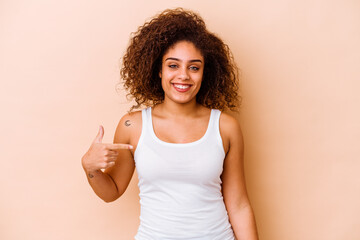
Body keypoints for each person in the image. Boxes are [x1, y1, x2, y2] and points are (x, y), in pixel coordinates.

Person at [81, 8, 259, 240]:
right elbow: (111, 191)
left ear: (205, 73)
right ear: (158, 70)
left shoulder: (225, 127)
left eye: (194, 67)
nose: (183, 75)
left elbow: (239, 205)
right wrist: (90, 168)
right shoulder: (132, 126)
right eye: (173, 65)